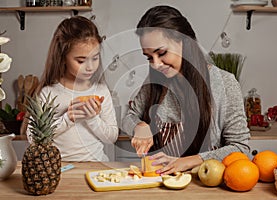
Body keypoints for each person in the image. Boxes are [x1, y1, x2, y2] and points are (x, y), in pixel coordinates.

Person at [121, 5, 250, 174]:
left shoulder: (225, 84)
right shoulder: (154, 81)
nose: (156, 64)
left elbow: (241, 148)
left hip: (205, 185)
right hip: (161, 182)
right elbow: (128, 117)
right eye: (149, 57)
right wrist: (139, 126)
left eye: (161, 53)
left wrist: (189, 162)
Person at [25, 16, 119, 161]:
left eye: (95, 58)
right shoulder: (49, 92)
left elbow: (112, 137)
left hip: (96, 167)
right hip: (60, 168)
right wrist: (68, 118)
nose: (90, 67)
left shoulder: (100, 90)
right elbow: (32, 138)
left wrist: (92, 118)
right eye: (81, 61)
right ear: (62, 58)